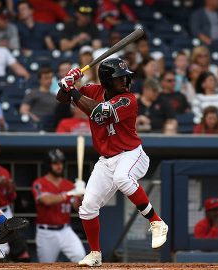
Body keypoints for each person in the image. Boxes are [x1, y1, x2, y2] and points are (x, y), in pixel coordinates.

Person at [56, 58, 168, 267]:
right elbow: (61, 99)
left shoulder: (128, 99)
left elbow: (99, 114)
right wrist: (66, 84)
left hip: (131, 154)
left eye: (126, 77)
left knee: (123, 178)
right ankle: (95, 253)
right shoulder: (92, 90)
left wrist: (73, 89)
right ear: (107, 81)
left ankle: (156, 222)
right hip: (106, 160)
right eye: (119, 78)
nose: (125, 81)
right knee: (87, 207)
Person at [31, 149, 86, 262]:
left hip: (66, 230)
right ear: (48, 165)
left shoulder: (69, 185)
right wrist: (70, 193)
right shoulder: (39, 183)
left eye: (61, 163)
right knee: (46, 266)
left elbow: (76, 207)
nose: (59, 166)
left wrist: (80, 197)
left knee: (80, 257)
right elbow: (46, 200)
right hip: (46, 233)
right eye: (55, 163)